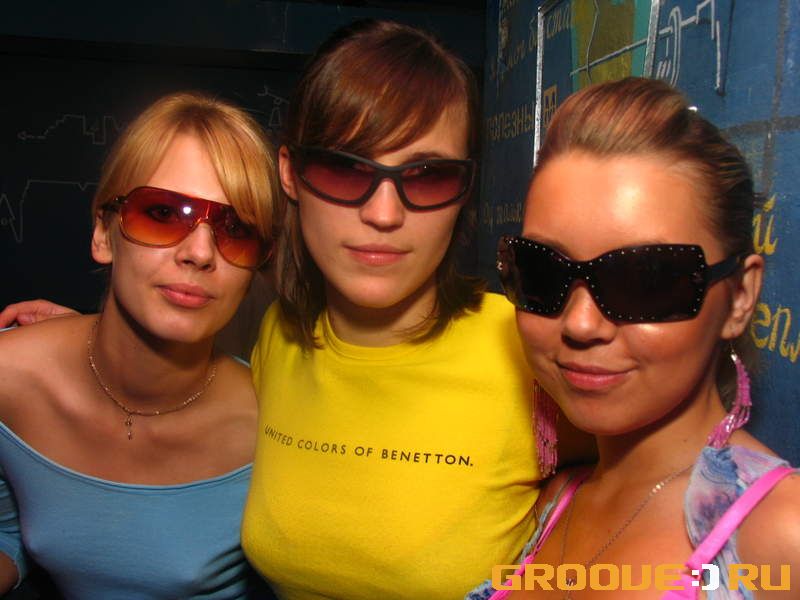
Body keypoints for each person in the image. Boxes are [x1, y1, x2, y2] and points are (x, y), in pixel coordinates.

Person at [239, 19, 569, 600]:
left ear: (465, 189)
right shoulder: (279, 338)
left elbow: (658, 468)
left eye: (428, 175)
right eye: (345, 167)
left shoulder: (525, 348)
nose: (384, 214)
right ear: (290, 174)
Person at [478, 77, 799, 599]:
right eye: (541, 271)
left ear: (740, 297)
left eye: (645, 280)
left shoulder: (782, 534)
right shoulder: (555, 501)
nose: (581, 324)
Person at [0, 91, 278, 598]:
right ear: (103, 234)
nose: (200, 252)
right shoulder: (9, 376)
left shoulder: (272, 422)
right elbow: (10, 532)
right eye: (163, 213)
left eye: (236, 230)